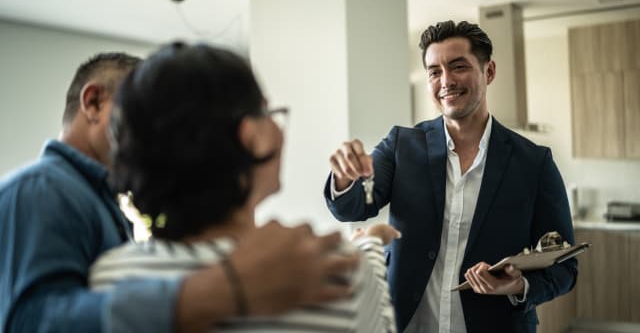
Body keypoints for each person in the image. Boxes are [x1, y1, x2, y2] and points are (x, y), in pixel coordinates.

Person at [0, 52, 360, 333]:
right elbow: (29, 324)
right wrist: (225, 288)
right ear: (93, 102)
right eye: (136, 120)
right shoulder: (41, 191)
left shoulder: (91, 198)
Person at [88, 42, 399, 332]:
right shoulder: (334, 276)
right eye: (268, 112)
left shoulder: (107, 281)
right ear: (251, 138)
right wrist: (368, 247)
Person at [324, 20, 577, 333]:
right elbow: (352, 208)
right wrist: (345, 177)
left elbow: (564, 267)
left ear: (490, 71)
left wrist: (517, 285)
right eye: (434, 71)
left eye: (458, 66)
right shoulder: (402, 145)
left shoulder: (534, 162)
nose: (446, 81)